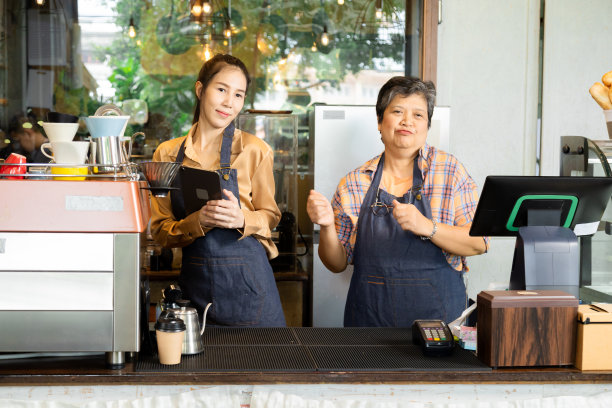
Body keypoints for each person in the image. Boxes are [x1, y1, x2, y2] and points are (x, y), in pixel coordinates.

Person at [307, 76, 488, 327]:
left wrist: (428, 227)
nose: (407, 121)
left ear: (427, 126)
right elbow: (336, 263)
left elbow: (479, 242)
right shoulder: (353, 183)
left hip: (440, 326)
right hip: (369, 325)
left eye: (418, 115)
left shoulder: (450, 171)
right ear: (380, 122)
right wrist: (326, 226)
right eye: (397, 111)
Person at [149, 54, 285, 327]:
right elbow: (160, 230)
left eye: (238, 95)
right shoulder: (167, 154)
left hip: (251, 293)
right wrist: (196, 222)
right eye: (221, 90)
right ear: (201, 90)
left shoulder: (255, 150)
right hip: (195, 295)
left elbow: (271, 215)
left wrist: (241, 218)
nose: (229, 103)